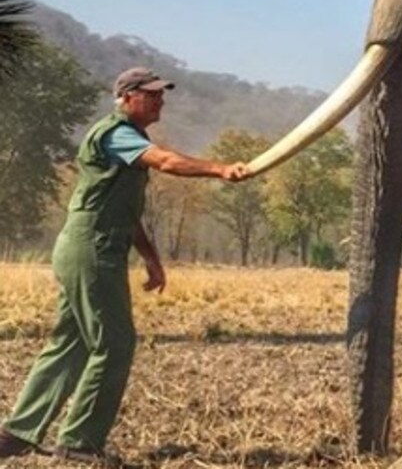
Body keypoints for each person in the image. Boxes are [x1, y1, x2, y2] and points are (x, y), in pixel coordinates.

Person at [0, 67, 248, 464]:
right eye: (151, 94)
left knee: (72, 341)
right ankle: (79, 442)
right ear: (126, 97)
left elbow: (128, 213)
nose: (160, 100)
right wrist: (219, 169)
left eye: (161, 94)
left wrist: (151, 259)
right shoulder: (115, 134)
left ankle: (16, 434)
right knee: (114, 342)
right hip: (90, 249)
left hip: (93, 248)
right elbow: (166, 161)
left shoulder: (131, 140)